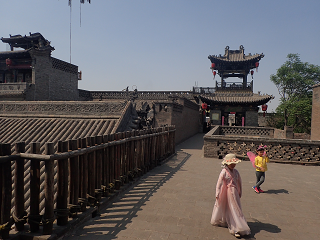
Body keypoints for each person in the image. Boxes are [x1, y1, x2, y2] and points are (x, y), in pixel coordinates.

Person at [210, 153, 251, 238]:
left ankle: (237, 226)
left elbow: (239, 182)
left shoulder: (236, 172)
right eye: (231, 164)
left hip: (234, 192)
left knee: (235, 208)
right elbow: (219, 183)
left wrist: (240, 191)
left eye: (234, 164)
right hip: (225, 192)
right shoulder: (224, 172)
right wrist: (217, 193)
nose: (233, 165)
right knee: (225, 206)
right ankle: (233, 225)